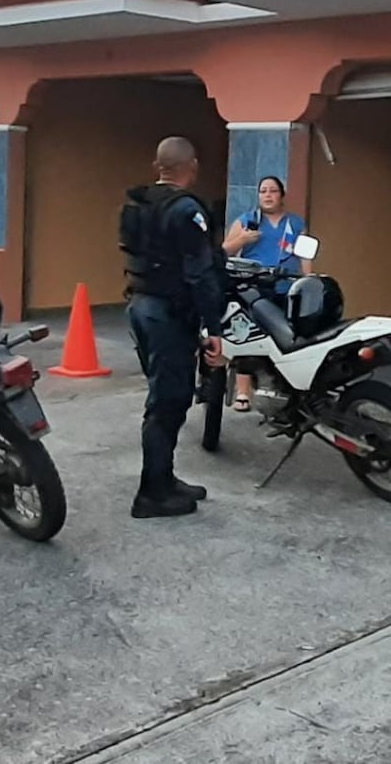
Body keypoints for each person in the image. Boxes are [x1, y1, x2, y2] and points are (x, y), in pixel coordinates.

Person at [120, 136, 225, 519]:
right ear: (192, 166)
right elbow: (200, 274)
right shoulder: (186, 211)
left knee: (168, 396)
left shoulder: (138, 203)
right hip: (168, 316)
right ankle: (151, 494)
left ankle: (164, 478)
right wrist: (213, 327)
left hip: (141, 307)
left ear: (157, 166)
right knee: (167, 402)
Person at [221, 175, 312, 411]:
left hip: (285, 287)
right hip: (252, 288)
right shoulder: (248, 220)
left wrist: (307, 281)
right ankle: (243, 392)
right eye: (263, 191)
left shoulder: (295, 223)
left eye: (273, 191)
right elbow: (223, 252)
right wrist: (243, 239)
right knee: (247, 337)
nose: (268, 195)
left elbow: (304, 256)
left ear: (282, 195)